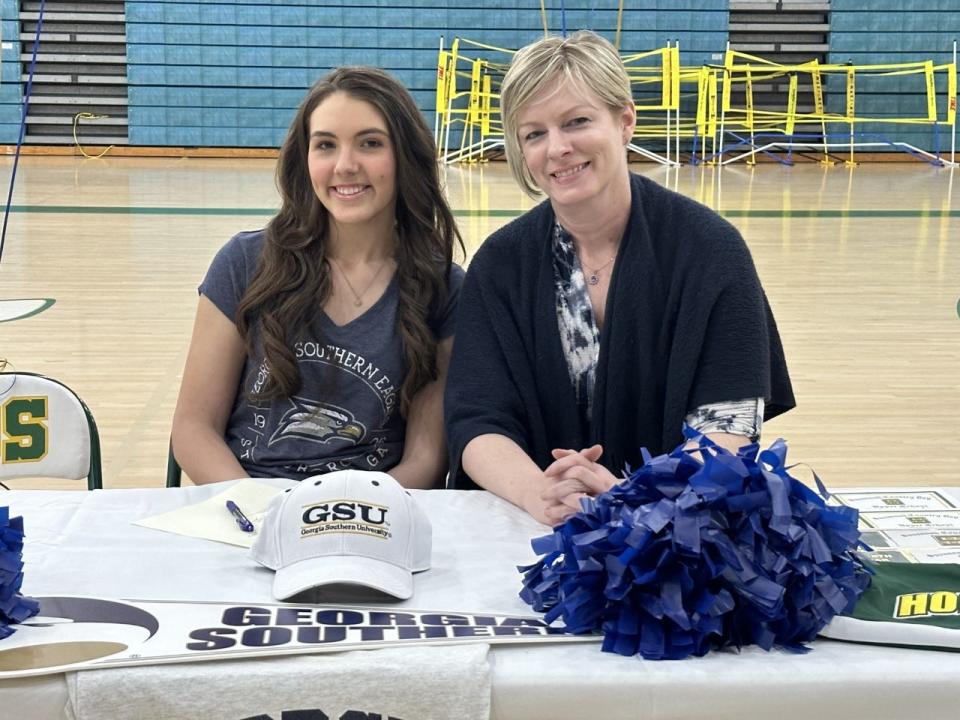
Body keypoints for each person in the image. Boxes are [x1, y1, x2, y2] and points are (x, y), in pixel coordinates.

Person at [444, 31, 794, 524]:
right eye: (534, 133)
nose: (558, 148)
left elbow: (728, 426)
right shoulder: (500, 263)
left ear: (625, 120)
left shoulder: (711, 250)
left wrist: (636, 496)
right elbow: (476, 418)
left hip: (686, 528)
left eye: (577, 122)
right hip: (536, 528)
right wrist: (538, 493)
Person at [172, 66, 464, 488]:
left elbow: (426, 459)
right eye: (325, 145)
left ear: (405, 155)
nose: (345, 165)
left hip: (373, 515)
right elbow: (194, 430)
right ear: (305, 158)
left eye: (370, 143)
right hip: (251, 507)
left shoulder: (444, 288)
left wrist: (347, 518)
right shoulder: (244, 262)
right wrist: (262, 513)